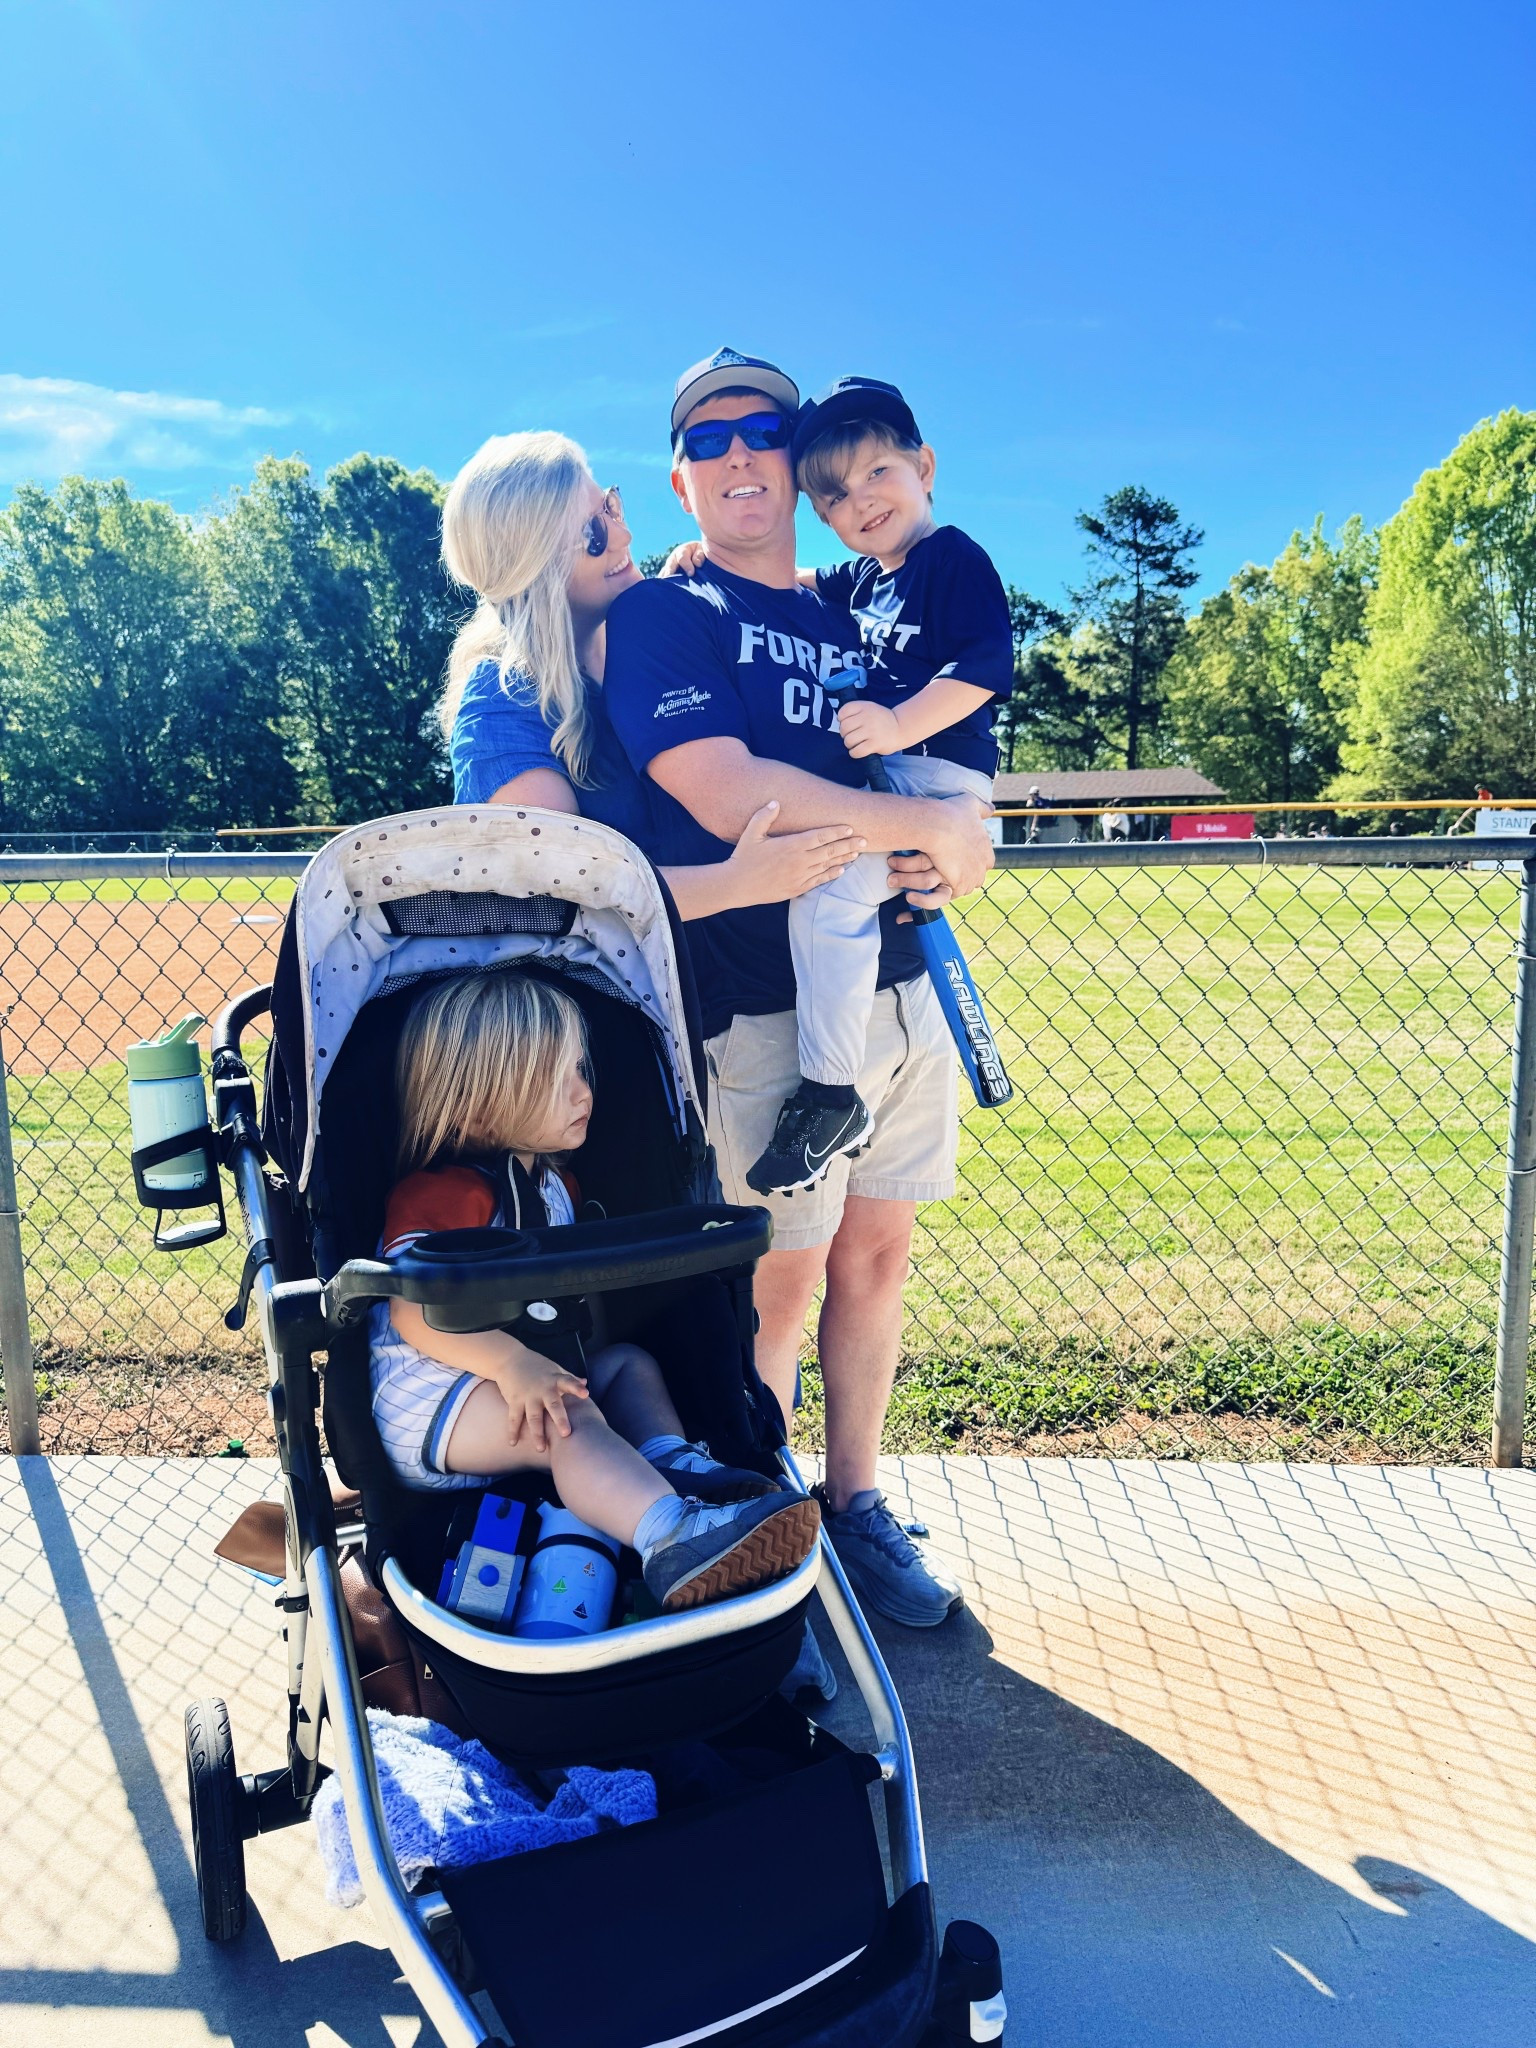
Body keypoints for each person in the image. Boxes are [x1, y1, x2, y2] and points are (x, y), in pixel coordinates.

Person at [602, 347, 995, 1628]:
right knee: (782, 1275)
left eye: (758, 430)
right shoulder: (668, 615)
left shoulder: (853, 599)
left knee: (879, 1254)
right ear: (680, 479)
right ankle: (766, 1539)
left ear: (795, 456)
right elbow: (731, 797)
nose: (734, 455)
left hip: (900, 982)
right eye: (704, 442)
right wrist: (927, 839)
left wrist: (948, 838)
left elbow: (953, 724)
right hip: (769, 1008)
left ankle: (855, 1503)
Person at [370, 967, 820, 1613]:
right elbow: (413, 1311)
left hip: (510, 1378)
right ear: (476, 1100)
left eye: (583, 1071)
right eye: (559, 1081)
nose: (585, 1093)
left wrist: (555, 1364)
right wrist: (514, 1364)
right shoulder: (447, 1192)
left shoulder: (557, 1187)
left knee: (625, 1367)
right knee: (570, 1417)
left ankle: (672, 1465)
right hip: (435, 1394)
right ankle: (671, 1537)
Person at [439, 430, 862, 919]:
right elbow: (552, 887)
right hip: (599, 993)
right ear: (531, 565)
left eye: (611, 508)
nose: (623, 536)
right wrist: (733, 883)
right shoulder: (503, 698)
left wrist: (711, 584)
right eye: (590, 534)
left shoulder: (640, 654)